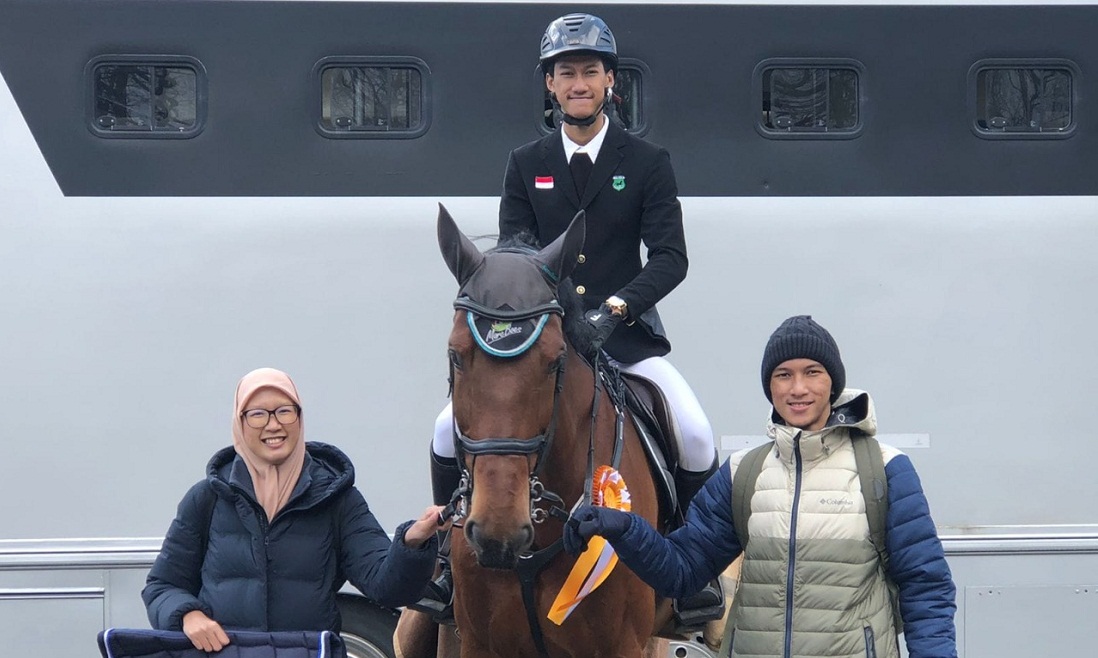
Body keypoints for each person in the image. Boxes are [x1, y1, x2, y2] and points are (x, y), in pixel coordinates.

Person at [429, 9, 717, 537]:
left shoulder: (648, 162)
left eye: (589, 72)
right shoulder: (524, 162)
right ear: (550, 85)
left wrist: (613, 311)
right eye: (566, 74)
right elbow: (514, 258)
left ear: (610, 80)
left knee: (696, 434)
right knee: (446, 429)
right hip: (538, 344)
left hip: (626, 341)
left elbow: (671, 257)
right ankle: (450, 554)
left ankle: (691, 565)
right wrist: (557, 316)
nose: (578, 84)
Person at [562, 315, 959, 658]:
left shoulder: (886, 469)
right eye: (783, 375)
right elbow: (680, 572)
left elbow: (927, 588)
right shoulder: (743, 472)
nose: (797, 389)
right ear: (770, 386)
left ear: (833, 382)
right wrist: (622, 528)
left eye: (812, 373)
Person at [142, 367, 448, 654]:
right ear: (239, 422)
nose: (273, 424)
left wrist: (412, 543)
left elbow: (387, 587)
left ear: (300, 419)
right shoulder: (207, 498)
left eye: (285, 411)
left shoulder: (338, 501)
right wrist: (187, 614)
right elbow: (162, 585)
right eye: (258, 414)